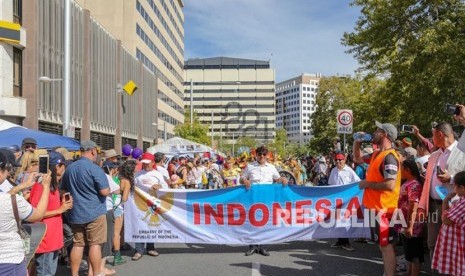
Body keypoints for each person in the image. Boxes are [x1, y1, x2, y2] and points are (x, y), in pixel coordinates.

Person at [353, 121, 401, 276]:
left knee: (386, 246)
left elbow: (390, 185)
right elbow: (357, 159)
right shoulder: (376, 154)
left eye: (378, 130)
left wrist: (367, 184)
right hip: (376, 208)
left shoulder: (389, 158)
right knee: (383, 245)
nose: (374, 132)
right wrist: (357, 142)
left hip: (385, 209)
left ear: (385, 135)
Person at [417, 122, 465, 266]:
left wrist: (450, 178)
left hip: (454, 207)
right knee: (432, 243)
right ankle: (435, 271)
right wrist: (422, 205)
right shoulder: (434, 155)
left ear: (440, 134)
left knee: (452, 245)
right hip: (432, 205)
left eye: (433, 135)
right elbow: (427, 183)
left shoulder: (462, 152)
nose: (431, 139)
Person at [61, 140, 110, 276]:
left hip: (76, 213)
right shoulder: (94, 168)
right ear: (93, 150)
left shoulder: (70, 168)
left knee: (78, 244)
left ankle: (74, 274)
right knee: (95, 244)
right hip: (95, 211)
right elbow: (104, 191)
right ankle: (95, 273)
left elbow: (63, 190)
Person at [0, 152, 51, 275]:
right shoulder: (11, 201)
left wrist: (22, 186)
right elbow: (38, 215)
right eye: (7, 169)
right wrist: (46, 187)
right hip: (9, 260)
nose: (9, 173)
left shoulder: (8, 199)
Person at [29, 151, 73, 276]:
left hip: (53, 238)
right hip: (45, 238)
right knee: (45, 272)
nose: (64, 168)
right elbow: (35, 213)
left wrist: (62, 204)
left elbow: (50, 206)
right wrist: (60, 209)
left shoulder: (52, 185)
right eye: (63, 165)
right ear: (57, 166)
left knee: (50, 272)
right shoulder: (41, 185)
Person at [240, 145, 288, 256]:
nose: (261, 156)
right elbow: (242, 178)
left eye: (264, 154)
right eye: (259, 154)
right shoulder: (250, 166)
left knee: (266, 222)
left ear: (267, 156)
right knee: (252, 221)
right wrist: (244, 180)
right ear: (256, 155)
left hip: (267, 199)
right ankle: (252, 246)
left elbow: (277, 179)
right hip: (252, 198)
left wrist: (283, 179)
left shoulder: (271, 167)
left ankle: (263, 247)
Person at [132, 152, 167, 261]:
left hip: (153, 202)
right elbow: (133, 186)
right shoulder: (137, 174)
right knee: (140, 225)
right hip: (140, 203)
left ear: (152, 162)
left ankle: (150, 247)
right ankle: (139, 250)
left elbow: (166, 186)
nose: (146, 165)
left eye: (148, 163)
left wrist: (160, 185)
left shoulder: (158, 174)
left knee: (151, 224)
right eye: (144, 163)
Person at [432, 171, 465, 275]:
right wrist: (446, 202)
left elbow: (446, 220)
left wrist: (445, 202)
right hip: (456, 243)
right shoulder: (460, 200)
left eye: (454, 185)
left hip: (458, 244)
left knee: (459, 269)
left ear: (462, 188)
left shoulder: (463, 203)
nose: (453, 188)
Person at [396, 159, 424, 276]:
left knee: (415, 252)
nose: (399, 171)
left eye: (401, 168)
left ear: (407, 170)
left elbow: (414, 206)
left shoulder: (414, 185)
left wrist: (410, 226)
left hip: (413, 224)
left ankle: (415, 273)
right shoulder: (407, 183)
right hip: (404, 222)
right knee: (409, 249)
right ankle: (409, 271)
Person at [328, 152, 361, 251]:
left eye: (340, 160)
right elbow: (330, 185)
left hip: (347, 200)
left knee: (345, 221)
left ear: (344, 160)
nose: (338, 161)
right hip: (336, 200)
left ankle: (346, 242)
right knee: (337, 221)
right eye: (336, 160)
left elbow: (357, 182)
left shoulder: (349, 171)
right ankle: (340, 241)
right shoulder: (333, 170)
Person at [111, 160, 136, 266]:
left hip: (109, 205)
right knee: (117, 233)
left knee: (112, 232)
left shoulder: (116, 177)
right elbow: (125, 198)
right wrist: (122, 192)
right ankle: (117, 257)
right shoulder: (126, 181)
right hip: (118, 207)